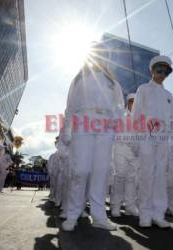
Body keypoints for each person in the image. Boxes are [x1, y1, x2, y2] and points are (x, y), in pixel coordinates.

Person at [61, 42, 124, 231]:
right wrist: (66, 130)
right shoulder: (78, 79)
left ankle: (99, 216)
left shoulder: (112, 81)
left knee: (100, 171)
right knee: (80, 170)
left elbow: (119, 105)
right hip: (83, 121)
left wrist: (114, 121)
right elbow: (70, 107)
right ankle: (73, 212)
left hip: (105, 124)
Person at [132, 55, 173, 228]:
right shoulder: (143, 89)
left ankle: (158, 213)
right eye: (159, 70)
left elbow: (172, 119)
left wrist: (170, 140)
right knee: (147, 174)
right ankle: (145, 213)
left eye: (166, 71)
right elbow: (136, 115)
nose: (162, 73)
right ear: (152, 70)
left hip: (163, 138)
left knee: (160, 177)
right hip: (146, 136)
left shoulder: (168, 94)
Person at [110, 93, 139, 217]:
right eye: (132, 101)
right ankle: (115, 206)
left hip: (134, 152)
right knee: (120, 176)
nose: (134, 104)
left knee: (132, 179)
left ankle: (130, 206)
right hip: (121, 148)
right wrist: (129, 140)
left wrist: (137, 145)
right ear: (128, 102)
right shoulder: (121, 114)